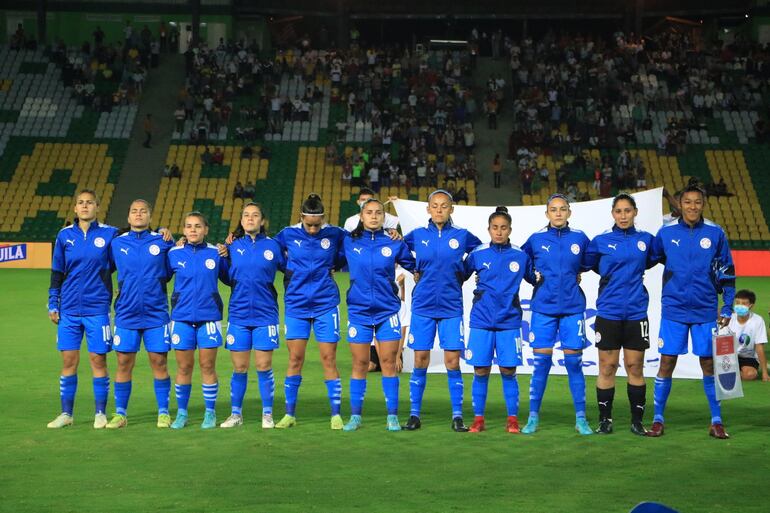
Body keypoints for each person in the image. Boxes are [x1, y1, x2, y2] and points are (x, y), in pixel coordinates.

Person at [648, 181, 735, 439]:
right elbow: (646, 260)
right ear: (680, 205)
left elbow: (727, 273)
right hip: (674, 308)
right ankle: (657, 419)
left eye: (697, 202)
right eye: (688, 202)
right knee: (667, 362)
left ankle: (716, 420)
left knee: (708, 363)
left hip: (705, 308)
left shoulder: (716, 233)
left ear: (703, 204)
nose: (692, 206)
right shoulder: (665, 233)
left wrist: (727, 306)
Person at [403, 189, 483, 431]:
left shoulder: (461, 235)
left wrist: (464, 272)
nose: (439, 210)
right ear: (428, 209)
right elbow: (399, 250)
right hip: (423, 306)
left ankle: (457, 415)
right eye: (435, 206)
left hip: (451, 307)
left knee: (452, 362)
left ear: (451, 209)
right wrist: (413, 268)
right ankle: (414, 414)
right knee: (420, 359)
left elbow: (480, 252)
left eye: (444, 206)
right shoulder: (417, 235)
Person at [583, 194, 659, 435]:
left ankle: (637, 422)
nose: (623, 215)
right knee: (608, 367)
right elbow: (588, 264)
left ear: (635, 212)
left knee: (635, 366)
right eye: (619, 211)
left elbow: (653, 261)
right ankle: (605, 420)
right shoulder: (601, 241)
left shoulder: (646, 240)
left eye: (627, 210)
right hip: (608, 312)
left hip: (636, 312)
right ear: (613, 213)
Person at [271, 194, 347, 430]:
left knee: (328, 358)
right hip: (296, 304)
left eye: (317, 224)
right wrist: (290, 271)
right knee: (295, 359)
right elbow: (268, 251)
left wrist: (337, 263)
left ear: (323, 218)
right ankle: (289, 414)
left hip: (326, 303)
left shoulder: (334, 233)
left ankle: (336, 414)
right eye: (309, 224)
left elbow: (355, 245)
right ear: (301, 217)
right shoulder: (287, 234)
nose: (313, 230)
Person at [339, 198, 415, 431]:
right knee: (360, 363)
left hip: (387, 311)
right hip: (359, 311)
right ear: (361, 217)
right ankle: (355, 416)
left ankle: (392, 416)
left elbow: (414, 266)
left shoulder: (393, 242)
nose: (374, 216)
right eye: (369, 212)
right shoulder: (348, 242)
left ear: (384, 217)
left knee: (388, 363)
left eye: (378, 213)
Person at [47, 190, 119, 429]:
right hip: (68, 308)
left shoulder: (110, 234)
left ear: (97, 207)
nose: (85, 206)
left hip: (97, 307)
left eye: (90, 202)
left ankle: (100, 413)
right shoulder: (64, 235)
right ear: (75, 208)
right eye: (81, 203)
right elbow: (57, 272)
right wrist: (53, 302)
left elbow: (128, 259)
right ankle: (66, 414)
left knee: (98, 360)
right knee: (68, 361)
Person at [521, 193, 593, 435]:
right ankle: (532, 418)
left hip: (573, 308)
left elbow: (589, 261)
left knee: (574, 363)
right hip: (543, 309)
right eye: (554, 209)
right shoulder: (536, 239)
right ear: (547, 214)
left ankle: (581, 418)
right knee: (541, 365)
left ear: (569, 212)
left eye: (563, 209)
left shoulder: (580, 238)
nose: (558, 213)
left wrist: (575, 274)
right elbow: (518, 261)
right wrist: (533, 278)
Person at [463, 206, 533, 433]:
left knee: (508, 371)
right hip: (481, 320)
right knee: (480, 370)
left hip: (509, 321)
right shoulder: (478, 254)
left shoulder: (521, 255)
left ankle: (512, 419)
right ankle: (478, 419)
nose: (499, 232)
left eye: (503, 228)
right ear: (489, 229)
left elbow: (537, 279)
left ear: (510, 229)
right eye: (495, 227)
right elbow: (457, 275)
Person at [106, 200, 175, 428]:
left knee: (159, 362)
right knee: (124, 362)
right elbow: (103, 269)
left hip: (156, 313)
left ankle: (163, 412)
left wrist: (169, 235)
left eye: (143, 211)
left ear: (150, 216)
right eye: (134, 211)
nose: (138, 214)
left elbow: (172, 269)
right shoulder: (116, 243)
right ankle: (120, 414)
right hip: (126, 312)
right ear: (128, 217)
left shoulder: (162, 242)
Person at [220, 203, 286, 428]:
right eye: (246, 215)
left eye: (255, 215)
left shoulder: (273, 246)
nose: (250, 219)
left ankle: (267, 414)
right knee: (239, 368)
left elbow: (291, 269)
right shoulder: (232, 246)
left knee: (263, 366)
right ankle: (236, 414)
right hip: (238, 314)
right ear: (241, 220)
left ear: (262, 221)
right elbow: (226, 277)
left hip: (266, 314)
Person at [167, 212, 230, 429]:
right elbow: (160, 276)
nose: (193, 230)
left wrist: (227, 253)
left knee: (207, 366)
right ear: (183, 230)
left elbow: (231, 278)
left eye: (197, 226)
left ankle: (210, 413)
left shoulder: (216, 253)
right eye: (188, 226)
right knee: (183, 368)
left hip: (209, 317)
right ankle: (182, 414)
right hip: (182, 318)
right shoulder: (173, 253)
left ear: (206, 230)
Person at [729, 289, 769, 381]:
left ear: (751, 305)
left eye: (743, 303)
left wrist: (764, 373)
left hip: (748, 357)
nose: (739, 306)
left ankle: (732, 374)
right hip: (729, 356)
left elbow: (759, 347)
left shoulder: (758, 320)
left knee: (750, 375)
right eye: (737, 302)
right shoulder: (729, 319)